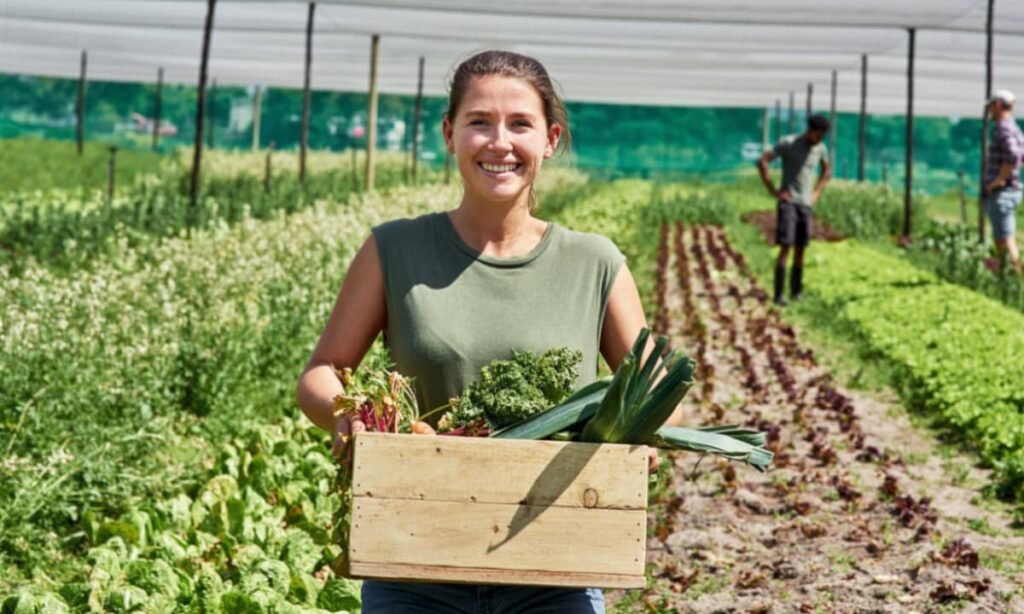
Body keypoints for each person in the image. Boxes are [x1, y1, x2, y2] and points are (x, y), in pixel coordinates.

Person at [295, 50, 678, 614]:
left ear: (550, 139)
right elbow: (320, 372)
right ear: (450, 135)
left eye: (519, 124)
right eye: (479, 122)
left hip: (556, 566)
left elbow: (655, 390)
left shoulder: (594, 263)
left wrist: (640, 433)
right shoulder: (394, 249)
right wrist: (347, 412)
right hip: (413, 560)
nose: (499, 142)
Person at [757, 114, 832, 305]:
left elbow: (826, 172)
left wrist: (816, 194)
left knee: (801, 248)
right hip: (788, 203)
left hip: (805, 205)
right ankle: (779, 294)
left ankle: (796, 291)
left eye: (823, 136)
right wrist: (772, 189)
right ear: (810, 130)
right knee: (786, 247)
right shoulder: (788, 143)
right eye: (818, 134)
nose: (819, 139)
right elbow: (763, 161)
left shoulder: (820, 149)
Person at [983, 89, 1024, 272]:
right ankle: (1008, 275)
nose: (989, 111)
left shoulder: (1003, 127)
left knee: (1004, 238)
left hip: (1003, 191)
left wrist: (998, 180)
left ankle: (1013, 278)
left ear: (998, 105)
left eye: (991, 106)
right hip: (1010, 189)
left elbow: (1014, 156)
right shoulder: (1014, 127)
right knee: (1005, 236)